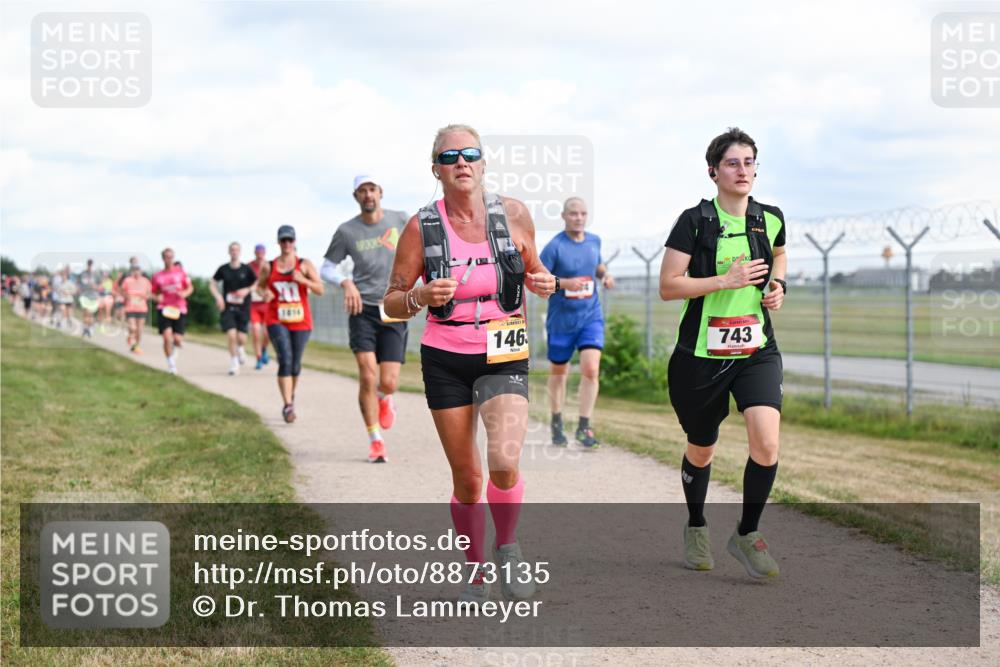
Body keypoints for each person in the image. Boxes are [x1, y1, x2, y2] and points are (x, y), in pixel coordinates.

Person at [383, 124, 556, 603]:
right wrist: (417, 295)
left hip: (504, 349)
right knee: (468, 478)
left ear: (483, 163)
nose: (462, 162)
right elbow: (391, 302)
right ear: (436, 169)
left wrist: (543, 281)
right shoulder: (422, 226)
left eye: (470, 154)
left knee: (503, 461)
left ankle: (509, 548)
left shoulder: (515, 213)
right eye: (450, 156)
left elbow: (534, 268)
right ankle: (475, 568)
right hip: (446, 356)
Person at [659, 127, 787, 579]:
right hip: (700, 356)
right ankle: (697, 524)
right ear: (714, 171)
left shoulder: (770, 217)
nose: (743, 170)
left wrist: (777, 286)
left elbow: (779, 254)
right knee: (701, 447)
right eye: (733, 163)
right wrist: (724, 281)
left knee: (767, 443)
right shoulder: (694, 222)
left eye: (750, 162)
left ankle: (748, 534)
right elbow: (668, 286)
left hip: (757, 348)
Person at [321, 175, 408, 463]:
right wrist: (346, 283)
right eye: (362, 191)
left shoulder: (400, 220)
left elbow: (419, 251)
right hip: (362, 310)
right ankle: (375, 441)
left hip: (394, 307)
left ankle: (386, 398)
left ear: (380, 193)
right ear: (356, 196)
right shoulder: (347, 231)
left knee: (390, 381)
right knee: (368, 374)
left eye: (372, 189)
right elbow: (327, 268)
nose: (368, 194)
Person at [540, 197, 615, 449]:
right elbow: (540, 281)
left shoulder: (594, 240)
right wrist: (564, 284)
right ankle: (557, 421)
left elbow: (598, 265)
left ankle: (584, 427)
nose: (579, 218)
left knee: (591, 369)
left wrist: (605, 276)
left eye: (583, 213)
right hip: (561, 321)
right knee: (559, 373)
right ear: (564, 216)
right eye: (573, 214)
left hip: (590, 316)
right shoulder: (554, 247)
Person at [256, 225, 324, 423]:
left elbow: (320, 289)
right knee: (285, 359)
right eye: (283, 240)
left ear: (295, 242)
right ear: (278, 242)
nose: (287, 244)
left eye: (290, 240)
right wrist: (264, 293)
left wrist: (303, 280)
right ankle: (287, 405)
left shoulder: (304, 264)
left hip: (301, 321)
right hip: (277, 319)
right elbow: (260, 287)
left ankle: (290, 397)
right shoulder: (269, 266)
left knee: (295, 364)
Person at [210, 242, 257, 375]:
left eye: (236, 250)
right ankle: (234, 362)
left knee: (241, 338)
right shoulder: (223, 269)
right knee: (231, 335)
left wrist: (247, 290)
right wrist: (218, 297)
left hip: (243, 307)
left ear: (240, 252)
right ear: (229, 252)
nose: (234, 252)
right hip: (228, 307)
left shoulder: (246, 269)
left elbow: (257, 283)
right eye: (232, 250)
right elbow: (212, 284)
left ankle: (240, 348)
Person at [151, 248, 193, 374]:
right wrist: (156, 297)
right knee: (167, 337)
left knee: (177, 339)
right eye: (166, 257)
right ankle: (171, 363)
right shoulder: (158, 276)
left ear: (173, 258)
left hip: (179, 308)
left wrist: (184, 293)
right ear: (163, 259)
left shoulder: (181, 273)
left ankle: (175, 348)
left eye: (171, 257)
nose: (169, 259)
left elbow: (190, 287)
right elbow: (151, 292)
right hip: (164, 308)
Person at [248, 243, 272, 370]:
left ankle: (264, 349)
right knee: (256, 332)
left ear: (265, 252)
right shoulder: (249, 266)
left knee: (267, 333)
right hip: (254, 304)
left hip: (267, 304)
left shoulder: (269, 265)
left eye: (262, 251)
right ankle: (258, 358)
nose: (260, 253)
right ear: (254, 252)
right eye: (258, 251)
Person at [121, 262, 152, 353]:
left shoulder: (145, 281)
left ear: (141, 271)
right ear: (132, 271)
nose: (136, 272)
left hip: (142, 308)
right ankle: (130, 335)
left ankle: (136, 346)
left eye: (138, 270)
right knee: (133, 327)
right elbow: (122, 291)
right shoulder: (127, 280)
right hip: (130, 307)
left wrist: (145, 297)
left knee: (139, 330)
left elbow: (149, 293)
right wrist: (127, 297)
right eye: (134, 270)